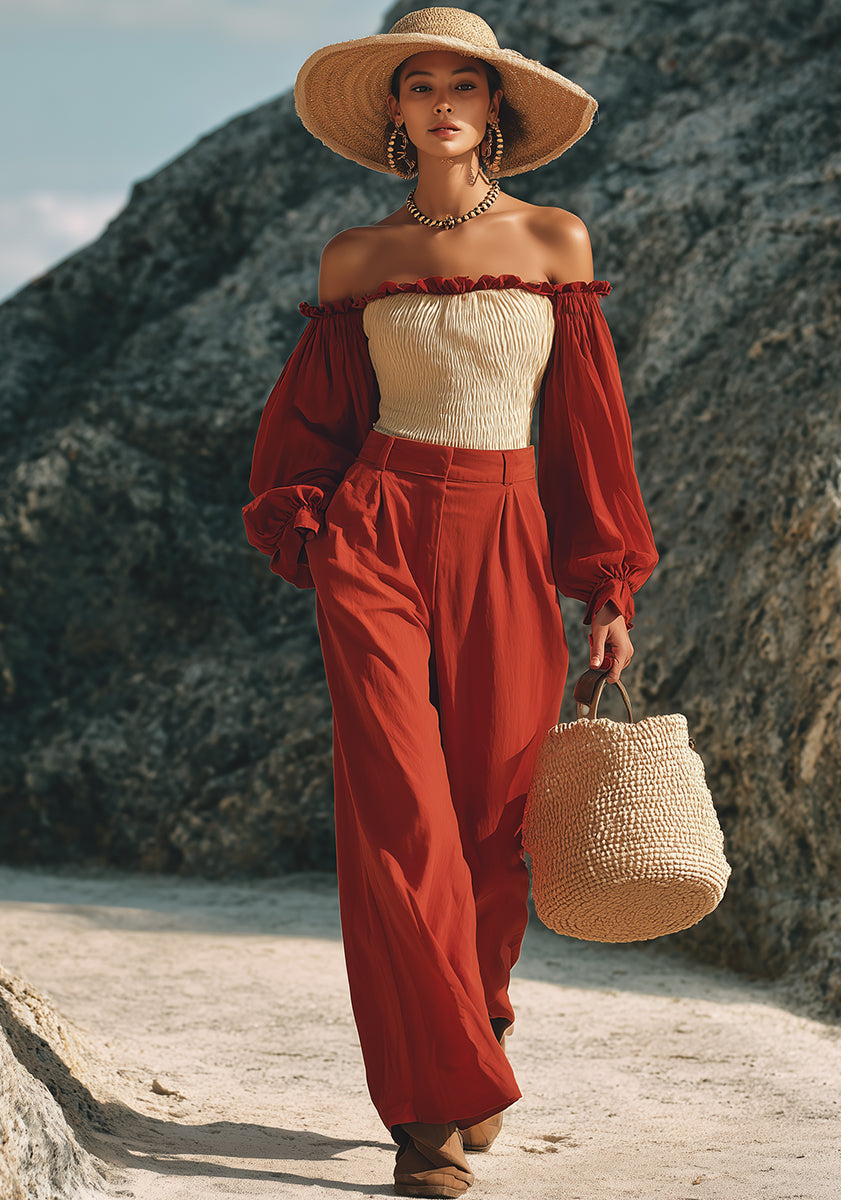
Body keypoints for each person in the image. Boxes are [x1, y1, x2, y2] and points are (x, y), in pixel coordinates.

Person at [242, 8, 658, 1197]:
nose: (438, 104)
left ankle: (476, 1029)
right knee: (398, 822)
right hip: (373, 535)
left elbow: (586, 436)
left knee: (491, 821)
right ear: (396, 112)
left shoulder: (554, 241)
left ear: (496, 110)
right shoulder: (355, 259)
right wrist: (312, 530)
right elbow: (312, 425)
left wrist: (607, 586)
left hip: (509, 534)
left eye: (460, 85)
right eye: (416, 85)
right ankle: (425, 1116)